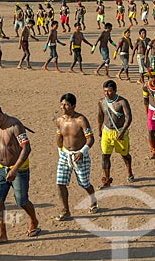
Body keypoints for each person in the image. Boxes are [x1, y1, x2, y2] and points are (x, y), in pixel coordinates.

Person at [0, 103, 40, 245]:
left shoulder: (15, 126)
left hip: (19, 169)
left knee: (22, 201)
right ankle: (2, 233)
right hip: (1, 169)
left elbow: (26, 149)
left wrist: (14, 170)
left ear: (0, 115)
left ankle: (33, 219)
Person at [55, 93, 98, 221]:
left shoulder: (81, 120)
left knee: (84, 183)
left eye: (66, 105)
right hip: (64, 156)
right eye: (62, 104)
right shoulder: (59, 121)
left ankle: (93, 199)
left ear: (73, 106)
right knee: (60, 183)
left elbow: (90, 139)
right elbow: (59, 137)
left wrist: (82, 152)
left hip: (80, 156)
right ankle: (66, 210)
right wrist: (60, 151)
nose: (63, 107)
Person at [97, 80, 134, 188]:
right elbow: (100, 116)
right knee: (105, 155)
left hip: (120, 132)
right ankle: (107, 179)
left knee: (125, 155)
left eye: (109, 91)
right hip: (107, 132)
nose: (106, 94)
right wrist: (99, 129)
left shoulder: (122, 102)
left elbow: (128, 118)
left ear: (115, 90)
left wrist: (122, 132)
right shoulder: (102, 102)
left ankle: (129, 171)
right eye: (105, 91)